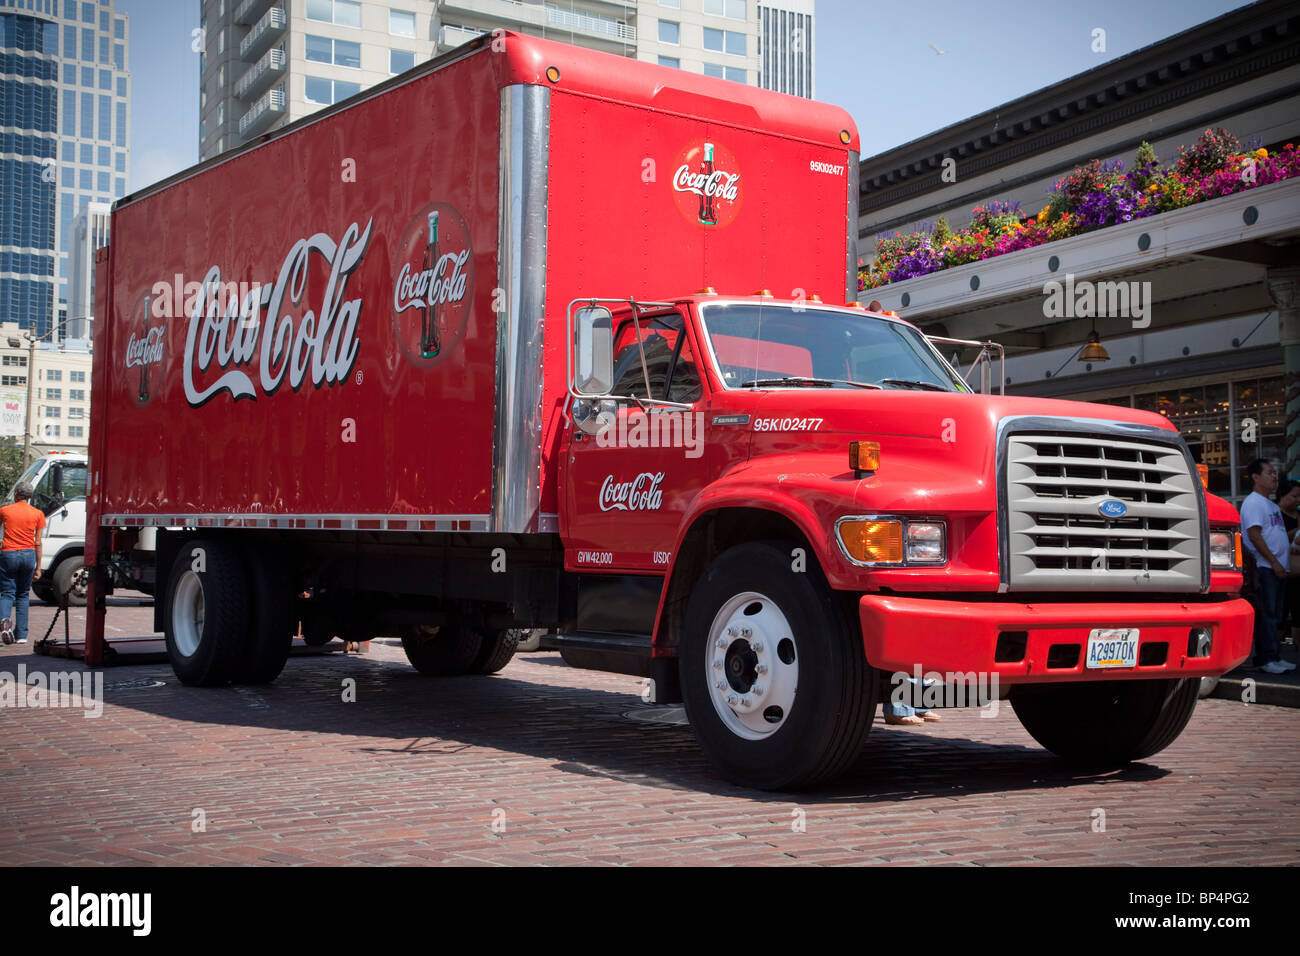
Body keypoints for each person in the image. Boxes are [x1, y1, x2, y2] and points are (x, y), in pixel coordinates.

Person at [1239, 459, 1298, 675]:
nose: (1274, 476)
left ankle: (1274, 656)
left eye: (1275, 473)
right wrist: (1273, 561)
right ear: (1255, 477)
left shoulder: (1271, 504)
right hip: (1265, 567)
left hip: (1277, 568)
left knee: (1276, 615)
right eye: (1269, 472)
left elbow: (1276, 535)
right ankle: (1265, 659)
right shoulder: (1253, 503)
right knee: (1267, 614)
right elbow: (1254, 536)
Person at [0, 481, 46, 645]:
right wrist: (39, 567)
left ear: (16, 494)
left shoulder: (4, 511)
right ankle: (21, 635)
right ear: (30, 496)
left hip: (8, 553)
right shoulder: (38, 514)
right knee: (23, 594)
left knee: (6, 593)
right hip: (28, 554)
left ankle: (4, 621)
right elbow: (38, 542)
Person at [1277, 479, 1300, 645]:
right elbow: (1275, 538)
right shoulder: (1276, 515)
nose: (1298, 500)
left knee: (1298, 613)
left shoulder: (1298, 514)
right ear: (1282, 495)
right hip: (1282, 570)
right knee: (1281, 613)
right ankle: (1275, 653)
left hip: (1298, 572)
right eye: (1294, 496)